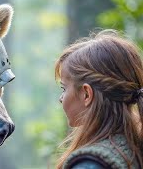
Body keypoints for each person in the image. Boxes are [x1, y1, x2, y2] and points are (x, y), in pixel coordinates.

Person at [55, 29, 143, 169]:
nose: (61, 98)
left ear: (87, 94)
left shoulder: (91, 163)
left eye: (64, 89)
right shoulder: (133, 148)